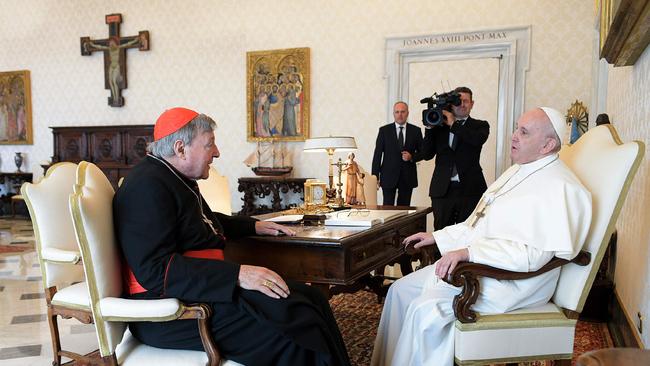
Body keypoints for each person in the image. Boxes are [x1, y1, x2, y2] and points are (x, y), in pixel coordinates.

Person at [114, 107, 350, 366]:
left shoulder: (171, 177)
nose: (216, 152)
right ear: (181, 149)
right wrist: (238, 275)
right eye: (209, 144)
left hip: (195, 291)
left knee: (312, 299)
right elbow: (156, 271)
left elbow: (204, 222)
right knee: (294, 329)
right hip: (168, 312)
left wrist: (254, 226)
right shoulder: (146, 187)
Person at [371, 107, 592, 366]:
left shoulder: (560, 187)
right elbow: (478, 224)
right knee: (399, 290)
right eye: (516, 128)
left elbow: (533, 256)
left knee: (425, 310)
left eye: (524, 131)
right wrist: (437, 237)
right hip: (487, 265)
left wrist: (469, 253)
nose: (513, 136)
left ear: (548, 144)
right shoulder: (518, 171)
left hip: (516, 282)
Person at [420, 86, 489, 231]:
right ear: (451, 104)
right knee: (441, 233)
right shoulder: (439, 126)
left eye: (466, 101)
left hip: (470, 190)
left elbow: (475, 140)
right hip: (443, 190)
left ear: (472, 104)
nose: (462, 104)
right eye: (458, 101)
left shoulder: (480, 126)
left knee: (468, 233)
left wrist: (453, 124)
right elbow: (426, 154)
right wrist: (429, 128)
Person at [372, 101, 424, 206]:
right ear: (393, 114)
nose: (400, 115)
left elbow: (423, 153)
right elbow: (377, 155)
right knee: (387, 209)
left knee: (404, 210)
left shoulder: (416, 131)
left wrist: (411, 157)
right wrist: (375, 177)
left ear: (407, 113)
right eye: (397, 112)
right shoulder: (384, 131)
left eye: (403, 112)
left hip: (407, 177)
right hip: (388, 176)